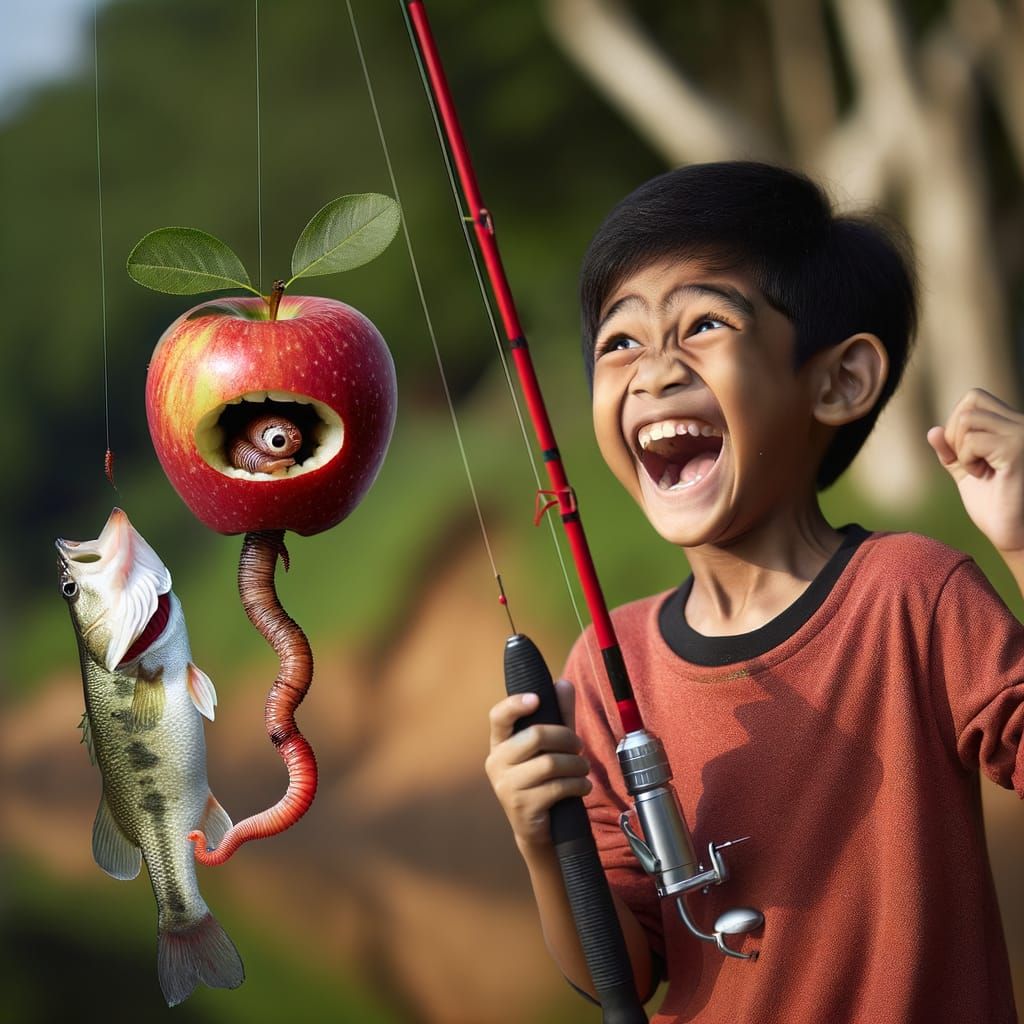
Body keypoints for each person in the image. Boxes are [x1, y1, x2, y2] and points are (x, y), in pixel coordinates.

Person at [485, 161, 1024, 1023]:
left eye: (703, 324)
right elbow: (625, 973)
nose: (653, 373)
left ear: (839, 381)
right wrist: (544, 842)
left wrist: (1022, 544)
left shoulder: (913, 594)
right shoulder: (606, 662)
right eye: (620, 342)